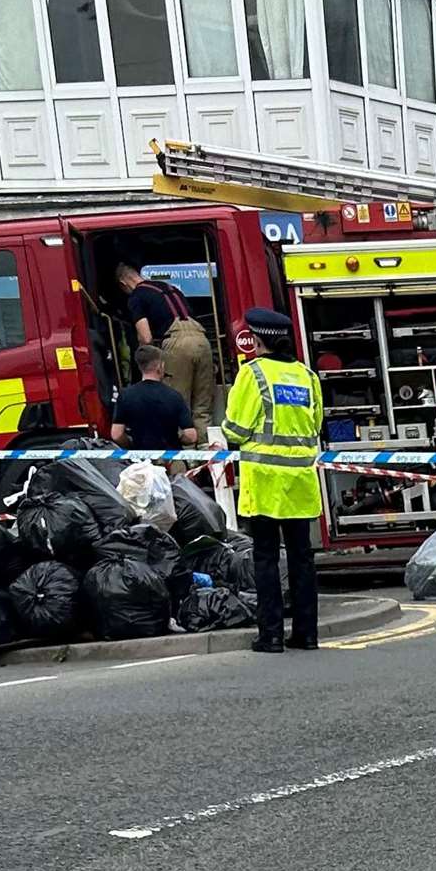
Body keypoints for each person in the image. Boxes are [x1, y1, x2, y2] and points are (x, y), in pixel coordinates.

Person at [221, 308, 323, 653]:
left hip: (264, 483)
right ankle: (307, 634)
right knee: (302, 558)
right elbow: (316, 424)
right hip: (301, 482)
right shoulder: (307, 376)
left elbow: (235, 428)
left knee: (265, 558)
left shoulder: (253, 374)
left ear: (257, 338)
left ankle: (272, 635)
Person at [117, 263, 215, 436]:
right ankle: (207, 450)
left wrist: (143, 361)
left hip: (177, 344)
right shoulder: (169, 288)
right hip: (202, 340)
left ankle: (186, 458)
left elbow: (146, 337)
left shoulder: (136, 297)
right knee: (202, 407)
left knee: (178, 406)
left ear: (123, 283)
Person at [110, 345, 198, 453]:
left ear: (140, 366)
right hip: (171, 458)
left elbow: (116, 434)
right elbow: (191, 435)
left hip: (142, 461)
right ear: (159, 366)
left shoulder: (125, 395)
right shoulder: (174, 396)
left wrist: (131, 446)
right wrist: (177, 442)